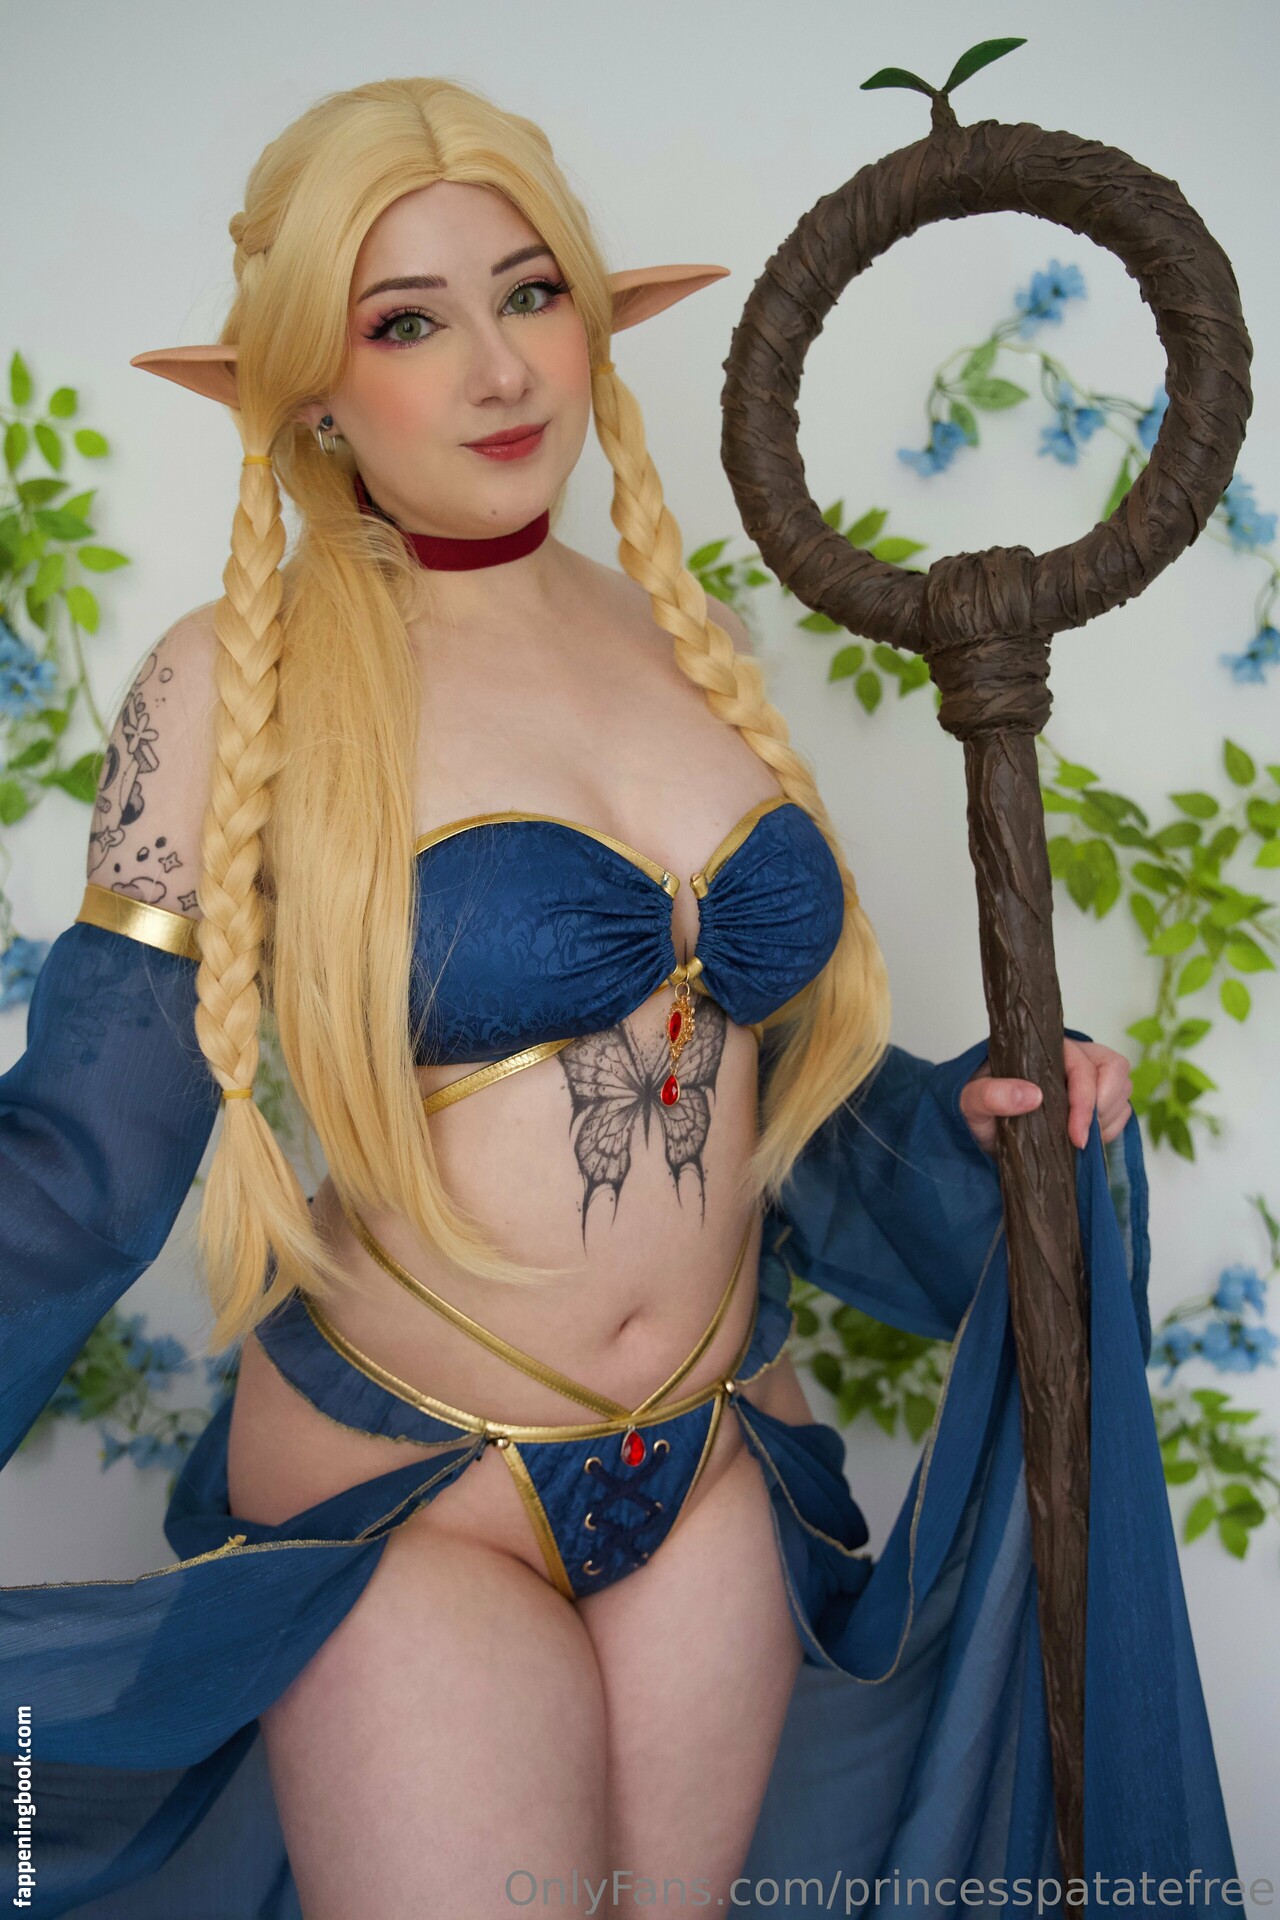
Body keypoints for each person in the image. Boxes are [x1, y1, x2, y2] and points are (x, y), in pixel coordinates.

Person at [0, 74, 1239, 1920]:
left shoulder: (690, 639)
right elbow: (89, 1154)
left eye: (531, 294)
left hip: (715, 1453)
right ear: (312, 385)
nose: (501, 370)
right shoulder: (233, 681)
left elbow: (766, 1085)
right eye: (409, 323)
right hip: (404, 1493)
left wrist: (966, 1119)